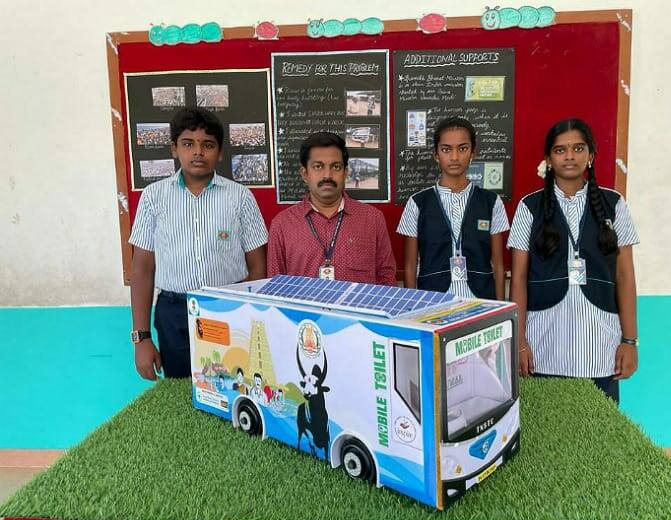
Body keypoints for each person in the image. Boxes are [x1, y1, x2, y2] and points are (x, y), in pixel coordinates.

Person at [508, 117, 638, 412]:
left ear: (591, 156)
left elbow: (625, 275)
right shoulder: (530, 207)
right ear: (549, 159)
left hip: (600, 346)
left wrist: (629, 341)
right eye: (560, 150)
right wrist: (519, 344)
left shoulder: (614, 204)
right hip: (542, 345)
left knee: (598, 434)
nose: (569, 156)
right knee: (549, 435)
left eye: (578, 148)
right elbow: (518, 279)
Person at [129, 106, 268, 380]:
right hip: (173, 313)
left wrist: (247, 319)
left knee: (232, 386)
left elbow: (258, 268)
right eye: (188, 144)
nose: (198, 152)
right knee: (181, 392)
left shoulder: (240, 197)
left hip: (229, 310)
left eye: (208, 145)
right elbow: (143, 269)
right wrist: (141, 338)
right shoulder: (153, 198)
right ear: (174, 149)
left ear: (220, 152)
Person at [397, 117, 509, 299]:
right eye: (446, 149)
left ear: (473, 152)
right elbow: (410, 266)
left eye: (462, 148)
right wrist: (411, 308)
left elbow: (497, 264)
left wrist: (500, 311)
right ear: (436, 154)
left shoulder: (491, 201)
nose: (455, 157)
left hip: (481, 301)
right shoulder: (417, 203)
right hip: (432, 303)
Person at [267, 132, 396, 285]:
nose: (327, 175)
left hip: (357, 309)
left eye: (336, 166)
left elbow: (386, 277)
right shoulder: (282, 224)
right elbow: (275, 285)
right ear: (304, 174)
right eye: (318, 166)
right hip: (304, 309)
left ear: (345, 173)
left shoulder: (373, 219)